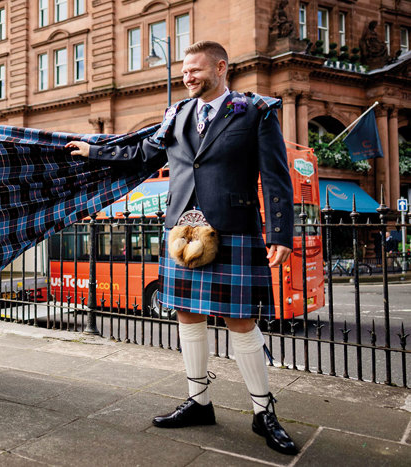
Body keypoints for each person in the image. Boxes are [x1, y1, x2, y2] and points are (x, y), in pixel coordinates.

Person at [65, 41, 297, 455]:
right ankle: (198, 402)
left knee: (239, 320)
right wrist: (94, 148)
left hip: (233, 230)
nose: (187, 77)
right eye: (184, 71)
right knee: (187, 315)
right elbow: (143, 152)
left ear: (221, 67)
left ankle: (264, 413)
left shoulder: (255, 111)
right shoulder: (177, 114)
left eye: (195, 70)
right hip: (181, 235)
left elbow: (276, 175)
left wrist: (280, 234)